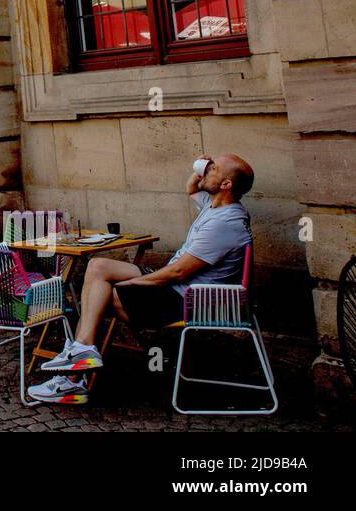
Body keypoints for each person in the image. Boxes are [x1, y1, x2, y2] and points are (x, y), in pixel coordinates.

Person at [29, 153, 255, 405]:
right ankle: (82, 352)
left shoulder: (225, 223)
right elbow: (191, 189)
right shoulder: (215, 205)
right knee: (97, 266)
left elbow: (177, 273)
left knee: (101, 295)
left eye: (213, 169)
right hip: (177, 287)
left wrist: (133, 283)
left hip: (186, 299)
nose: (207, 169)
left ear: (226, 185)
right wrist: (200, 170)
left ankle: (72, 381)